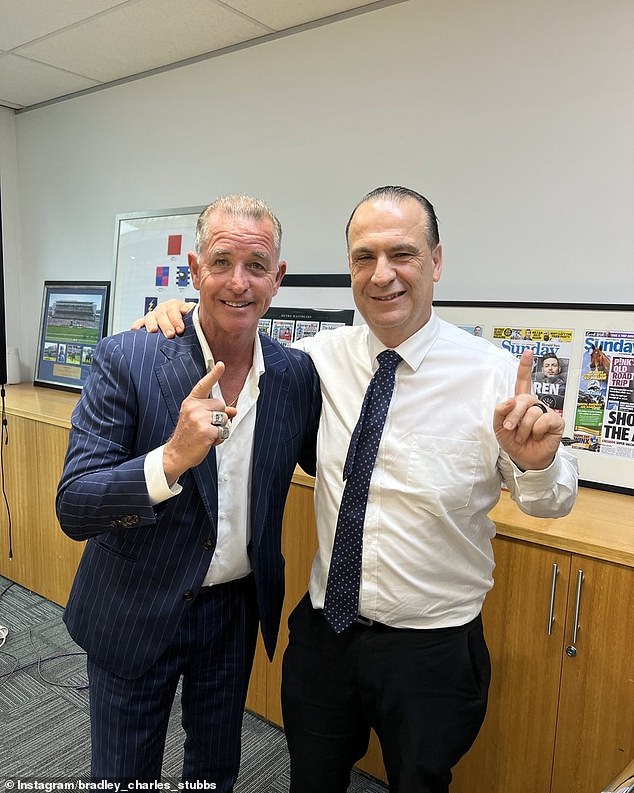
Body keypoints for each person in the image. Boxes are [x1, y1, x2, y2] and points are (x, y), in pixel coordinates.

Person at [139, 185, 578, 793]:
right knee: (311, 781)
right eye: (364, 257)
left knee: (419, 783)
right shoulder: (313, 361)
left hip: (432, 649)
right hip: (326, 635)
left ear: (437, 261)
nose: (382, 275)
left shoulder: (495, 376)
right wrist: (178, 316)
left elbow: (552, 503)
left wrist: (536, 465)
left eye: (402, 254)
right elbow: (234, 336)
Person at [56, 195, 321, 791]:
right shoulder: (128, 358)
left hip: (231, 612)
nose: (238, 282)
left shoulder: (294, 375)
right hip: (134, 605)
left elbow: (330, 458)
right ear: (195, 271)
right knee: (124, 776)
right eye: (221, 262)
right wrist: (171, 459)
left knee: (215, 770)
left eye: (256, 266)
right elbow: (74, 505)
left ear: (276, 279)